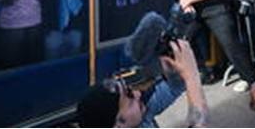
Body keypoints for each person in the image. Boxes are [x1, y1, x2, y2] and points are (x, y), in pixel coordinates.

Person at [77, 39, 208, 128]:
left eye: (129, 89)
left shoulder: (138, 117)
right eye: (129, 97)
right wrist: (192, 77)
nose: (138, 93)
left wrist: (172, 71)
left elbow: (174, 88)